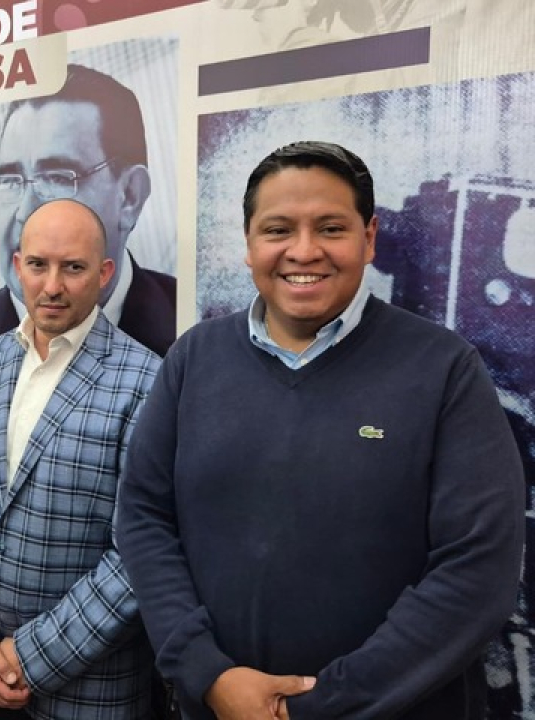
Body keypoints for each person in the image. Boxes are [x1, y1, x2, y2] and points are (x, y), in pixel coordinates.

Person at [117, 141, 525, 720]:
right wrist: (207, 673)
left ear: (369, 238)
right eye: (278, 229)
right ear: (249, 242)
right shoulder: (194, 358)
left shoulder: (444, 368)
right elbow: (143, 516)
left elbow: (478, 572)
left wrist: (316, 706)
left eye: (331, 228)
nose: (304, 251)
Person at [0, 199, 160, 718]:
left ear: (105, 274)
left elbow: (138, 551)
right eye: (38, 265)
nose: (52, 286)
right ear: (18, 266)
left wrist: (28, 657)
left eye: (74, 267)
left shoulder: (148, 380)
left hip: (92, 692)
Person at [0, 63, 176, 404]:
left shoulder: (190, 335)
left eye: (57, 177)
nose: (25, 212)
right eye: (10, 180)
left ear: (130, 196)